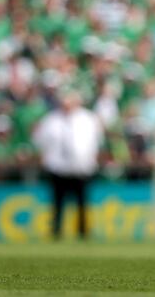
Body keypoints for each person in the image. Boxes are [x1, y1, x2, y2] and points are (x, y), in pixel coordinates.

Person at [32, 87, 104, 240]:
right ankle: (56, 231)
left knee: (82, 203)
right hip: (58, 167)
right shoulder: (51, 120)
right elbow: (40, 141)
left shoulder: (88, 119)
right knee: (57, 202)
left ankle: (83, 232)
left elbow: (95, 142)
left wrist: (90, 159)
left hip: (81, 168)